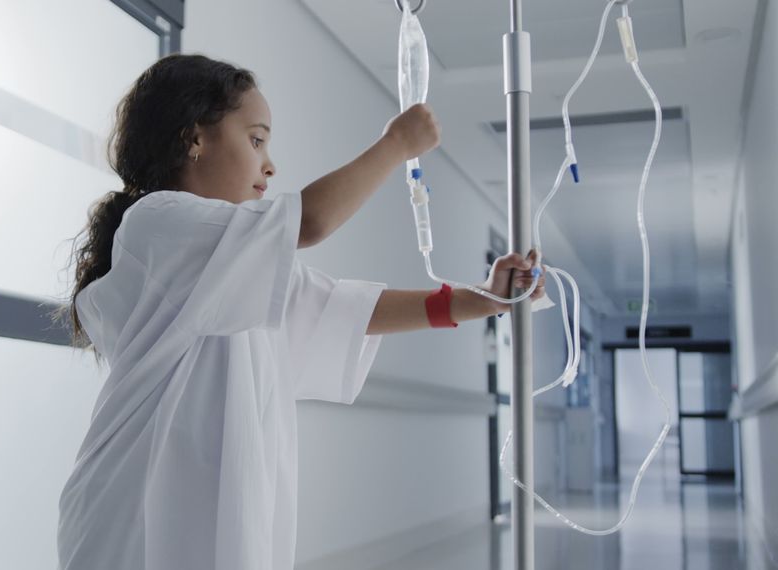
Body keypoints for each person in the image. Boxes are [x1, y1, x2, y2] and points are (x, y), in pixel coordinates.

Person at [53, 53, 545, 570]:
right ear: (194, 138)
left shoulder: (234, 268)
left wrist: (481, 300)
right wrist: (396, 144)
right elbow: (310, 222)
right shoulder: (158, 224)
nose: (270, 164)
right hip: (135, 523)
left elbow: (343, 308)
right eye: (256, 139)